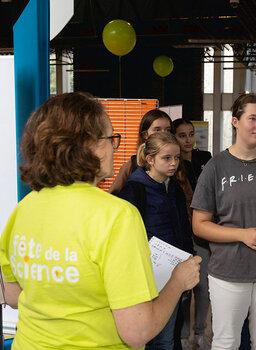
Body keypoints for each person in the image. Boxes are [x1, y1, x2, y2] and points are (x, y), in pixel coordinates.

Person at [0, 92, 200, 350]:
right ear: (89, 145)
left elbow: (14, 296)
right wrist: (177, 281)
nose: (114, 147)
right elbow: (137, 331)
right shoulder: (116, 216)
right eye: (110, 138)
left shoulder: (24, 209)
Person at [191, 93, 256, 350]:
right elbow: (199, 224)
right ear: (235, 121)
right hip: (229, 272)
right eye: (252, 118)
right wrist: (242, 234)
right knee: (226, 342)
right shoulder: (216, 167)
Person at [118, 132, 194, 350]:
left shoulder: (175, 188)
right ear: (150, 159)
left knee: (167, 337)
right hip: (147, 274)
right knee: (150, 337)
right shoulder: (134, 189)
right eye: (167, 158)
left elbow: (183, 228)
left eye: (177, 158)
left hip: (173, 271)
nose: (173, 163)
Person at [171, 118, 212, 350]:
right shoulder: (172, 165)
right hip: (182, 234)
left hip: (203, 233)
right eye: (181, 135)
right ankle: (185, 334)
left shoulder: (204, 158)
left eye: (190, 134)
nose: (187, 140)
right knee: (184, 289)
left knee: (203, 288)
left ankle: (199, 332)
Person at [109, 109, 172, 194]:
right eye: (157, 130)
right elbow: (113, 196)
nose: (164, 134)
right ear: (145, 135)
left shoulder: (177, 164)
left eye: (168, 130)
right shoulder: (132, 165)